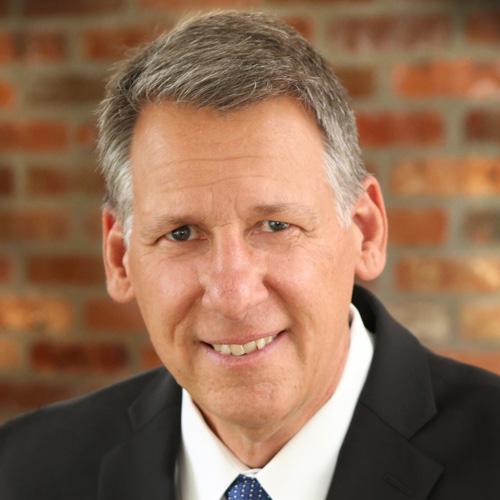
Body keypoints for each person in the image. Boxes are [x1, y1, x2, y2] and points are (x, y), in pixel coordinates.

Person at [1, 10, 499, 500]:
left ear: (365, 232)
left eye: (276, 226)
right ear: (119, 257)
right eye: (181, 233)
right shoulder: (21, 471)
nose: (233, 295)